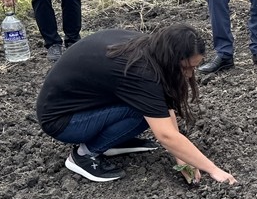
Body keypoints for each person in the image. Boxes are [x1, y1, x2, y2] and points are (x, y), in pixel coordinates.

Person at [36, 24, 238, 185]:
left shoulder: (148, 47)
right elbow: (165, 134)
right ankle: (84, 155)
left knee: (150, 110)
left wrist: (182, 157)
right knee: (141, 113)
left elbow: (164, 105)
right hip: (62, 121)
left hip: (81, 105)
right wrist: (214, 170)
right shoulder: (141, 72)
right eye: (187, 68)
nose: (189, 75)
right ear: (172, 58)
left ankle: (112, 141)